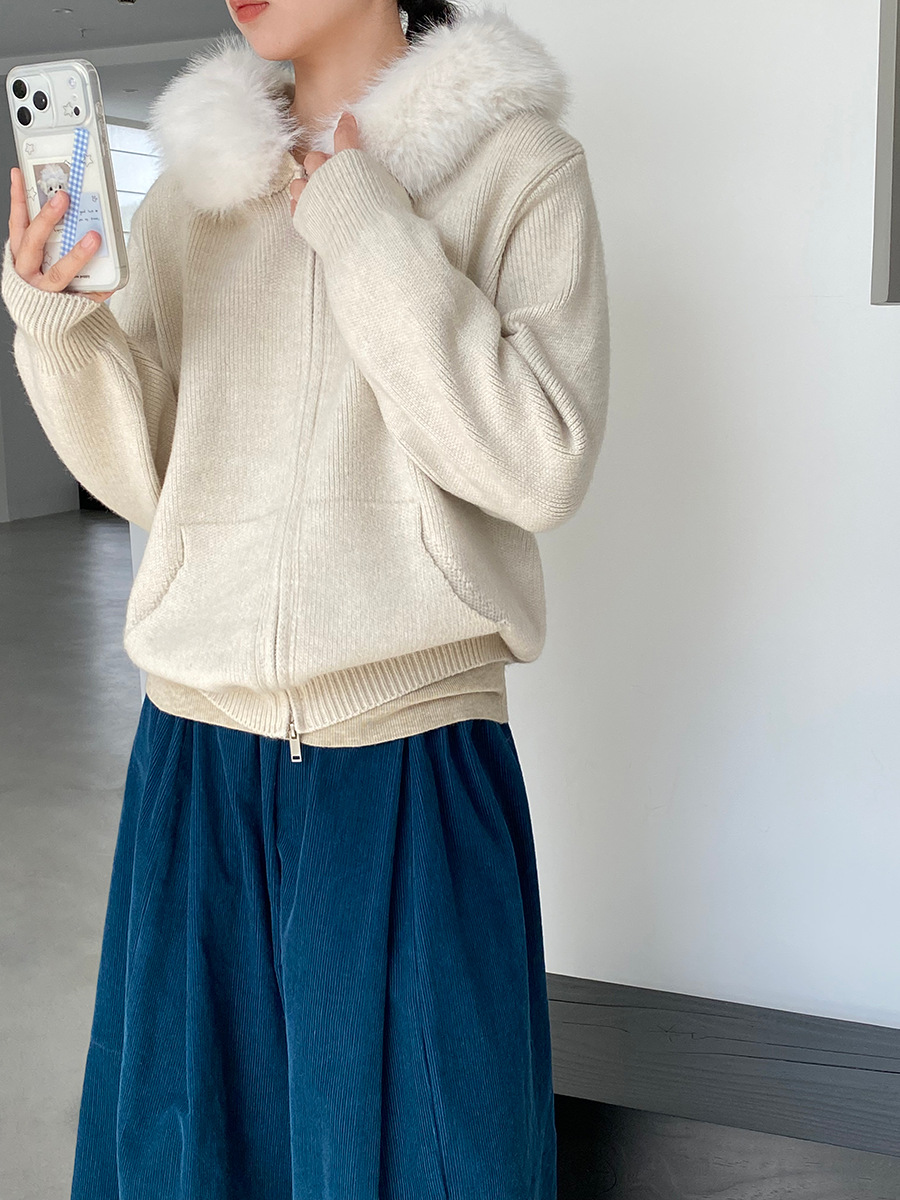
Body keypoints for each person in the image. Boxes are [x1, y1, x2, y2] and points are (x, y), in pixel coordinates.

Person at [2, 0, 610, 1196]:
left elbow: (538, 462)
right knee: (189, 1160)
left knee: (438, 1160)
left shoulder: (521, 168)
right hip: (195, 752)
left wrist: (361, 218)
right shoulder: (194, 198)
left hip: (411, 756)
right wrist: (61, 328)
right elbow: (155, 479)